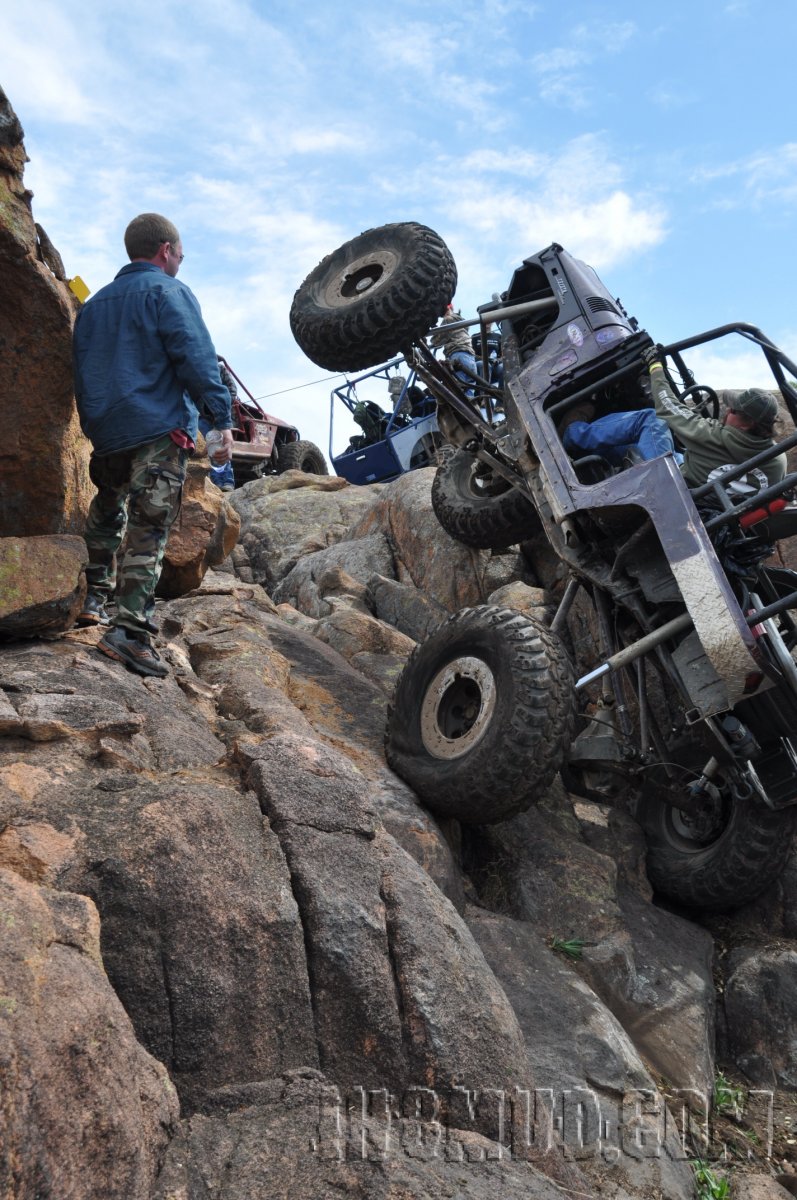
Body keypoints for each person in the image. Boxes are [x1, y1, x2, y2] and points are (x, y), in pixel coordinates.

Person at [72, 212, 233, 677]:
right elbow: (196, 358)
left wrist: (95, 423)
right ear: (165, 250)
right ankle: (129, 631)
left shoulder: (94, 305)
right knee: (150, 524)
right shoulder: (170, 292)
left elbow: (81, 370)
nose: (182, 261)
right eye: (181, 253)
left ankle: (92, 599)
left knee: (107, 509)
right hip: (157, 429)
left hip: (105, 430)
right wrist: (220, 421)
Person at [645, 349, 786, 487]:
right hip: (720, 505)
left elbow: (667, 405)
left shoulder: (710, 435)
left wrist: (655, 366)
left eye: (732, 410)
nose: (728, 411)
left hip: (680, 493)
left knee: (650, 420)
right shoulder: (778, 461)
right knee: (677, 453)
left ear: (747, 424)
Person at [198, 357, 237, 491]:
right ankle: (215, 481)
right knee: (209, 449)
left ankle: (227, 481)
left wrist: (221, 405)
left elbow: (232, 390)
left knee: (222, 448)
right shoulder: (196, 371)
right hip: (203, 416)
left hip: (219, 416)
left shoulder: (220, 369)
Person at [430, 303, 478, 396]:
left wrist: (434, 331)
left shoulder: (448, 319)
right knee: (469, 395)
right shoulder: (460, 322)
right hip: (470, 359)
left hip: (458, 357)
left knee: (458, 394)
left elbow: (436, 341)